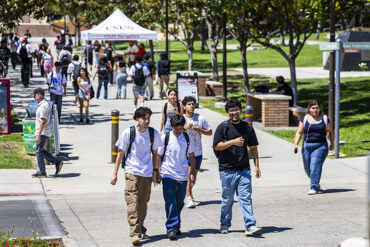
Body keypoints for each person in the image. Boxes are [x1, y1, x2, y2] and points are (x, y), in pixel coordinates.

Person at [111, 107, 162, 245]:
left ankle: (140, 227)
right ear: (136, 119)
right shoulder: (129, 133)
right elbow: (120, 154)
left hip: (146, 173)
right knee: (132, 201)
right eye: (144, 118)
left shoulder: (153, 133)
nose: (147, 121)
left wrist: (156, 171)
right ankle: (134, 233)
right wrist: (115, 173)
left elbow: (156, 154)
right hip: (131, 171)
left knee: (143, 203)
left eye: (148, 118)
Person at [213, 100, 262, 236]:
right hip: (226, 170)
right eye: (231, 110)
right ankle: (224, 223)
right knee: (227, 200)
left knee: (245, 198)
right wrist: (232, 142)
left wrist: (256, 166)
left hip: (244, 169)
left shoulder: (247, 128)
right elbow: (216, 146)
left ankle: (250, 225)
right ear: (228, 112)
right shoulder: (223, 127)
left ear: (241, 111)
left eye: (237, 110)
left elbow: (253, 148)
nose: (234, 112)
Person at [157, 114, 196, 240]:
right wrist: (157, 172)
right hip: (167, 173)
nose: (178, 130)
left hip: (182, 175)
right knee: (171, 201)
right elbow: (158, 156)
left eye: (180, 128)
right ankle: (171, 228)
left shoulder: (187, 138)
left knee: (179, 202)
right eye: (176, 128)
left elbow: (192, 157)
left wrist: (192, 173)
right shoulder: (165, 137)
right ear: (172, 126)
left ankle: (176, 224)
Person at [294, 100, 334, 195]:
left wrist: (332, 144)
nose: (315, 110)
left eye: (317, 108)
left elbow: (331, 132)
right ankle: (315, 182)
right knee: (307, 169)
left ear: (320, 109)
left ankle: (314, 187)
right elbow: (299, 132)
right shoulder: (305, 119)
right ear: (309, 109)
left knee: (315, 167)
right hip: (306, 146)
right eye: (313, 108)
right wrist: (296, 144)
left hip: (320, 146)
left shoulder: (324, 119)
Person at [182, 96, 212, 208]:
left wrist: (199, 130)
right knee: (189, 174)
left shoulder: (201, 118)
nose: (192, 106)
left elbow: (210, 132)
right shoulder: (181, 119)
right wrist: (185, 128)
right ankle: (188, 198)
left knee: (194, 177)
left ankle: (188, 192)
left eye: (193, 104)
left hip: (198, 152)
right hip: (185, 153)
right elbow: (175, 133)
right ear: (184, 106)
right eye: (189, 104)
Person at [32, 88, 63, 178]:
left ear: (39, 95)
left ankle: (42, 172)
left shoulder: (43, 106)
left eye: (34, 95)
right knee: (41, 150)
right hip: (45, 131)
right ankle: (57, 162)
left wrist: (38, 135)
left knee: (38, 151)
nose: (34, 97)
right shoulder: (45, 104)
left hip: (43, 132)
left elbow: (43, 121)